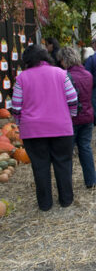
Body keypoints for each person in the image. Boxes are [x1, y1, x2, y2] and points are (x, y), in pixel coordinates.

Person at [11, 45, 78, 211]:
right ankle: (66, 200)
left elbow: (16, 106)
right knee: (63, 163)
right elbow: (73, 98)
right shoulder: (61, 73)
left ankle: (45, 204)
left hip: (33, 130)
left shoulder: (22, 78)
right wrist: (70, 116)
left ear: (27, 61)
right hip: (61, 127)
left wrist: (20, 123)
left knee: (40, 166)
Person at [58, 47, 96, 190]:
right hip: (87, 116)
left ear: (65, 59)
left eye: (61, 60)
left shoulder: (65, 76)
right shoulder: (88, 74)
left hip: (72, 118)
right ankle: (91, 180)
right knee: (85, 148)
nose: (60, 63)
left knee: (67, 152)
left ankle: (66, 183)